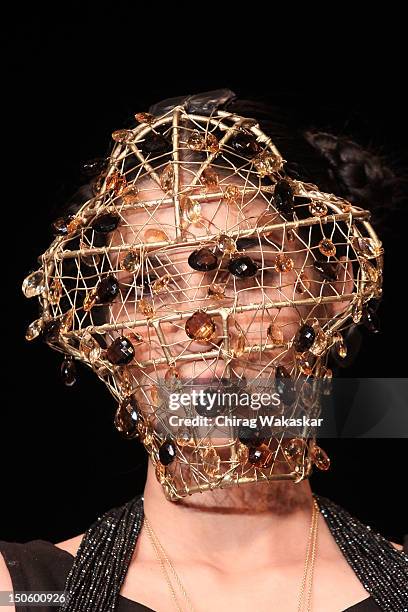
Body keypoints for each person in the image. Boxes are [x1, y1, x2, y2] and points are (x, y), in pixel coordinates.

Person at [1, 91, 407, 611]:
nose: (198, 326)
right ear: (103, 321)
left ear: (334, 290)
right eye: (143, 283)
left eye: (244, 270)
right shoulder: (19, 595)